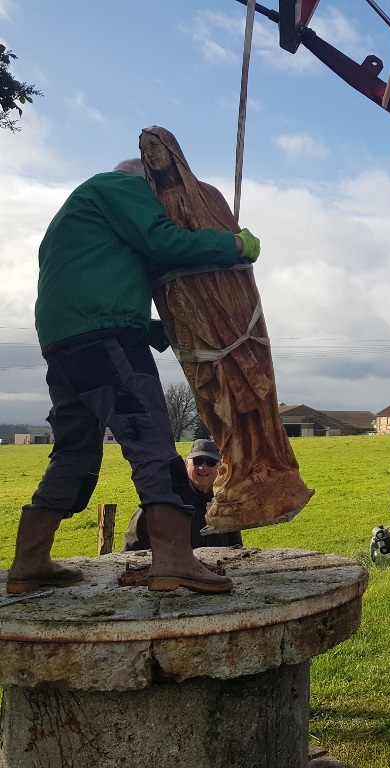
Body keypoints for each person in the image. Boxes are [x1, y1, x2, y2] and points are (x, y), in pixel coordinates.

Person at [4, 156, 260, 596]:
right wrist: (233, 246)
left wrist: (171, 333)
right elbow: (163, 241)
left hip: (67, 343)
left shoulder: (76, 217)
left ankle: (29, 563)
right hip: (106, 338)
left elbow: (102, 286)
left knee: (73, 452)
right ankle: (174, 559)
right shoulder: (119, 188)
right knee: (151, 440)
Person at [140, 126, 313, 534]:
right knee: (211, 393)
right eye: (145, 149)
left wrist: (232, 247)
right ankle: (236, 469)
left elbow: (234, 251)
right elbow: (157, 254)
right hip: (187, 312)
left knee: (248, 388)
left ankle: (266, 468)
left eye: (157, 146)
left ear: (173, 151)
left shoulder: (209, 195)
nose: (152, 154)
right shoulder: (148, 209)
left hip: (228, 308)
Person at [123, 439, 243, 551]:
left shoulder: (225, 506)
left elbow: (235, 550)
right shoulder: (165, 499)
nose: (203, 467)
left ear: (221, 468)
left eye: (211, 463)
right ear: (186, 464)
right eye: (197, 461)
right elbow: (132, 549)